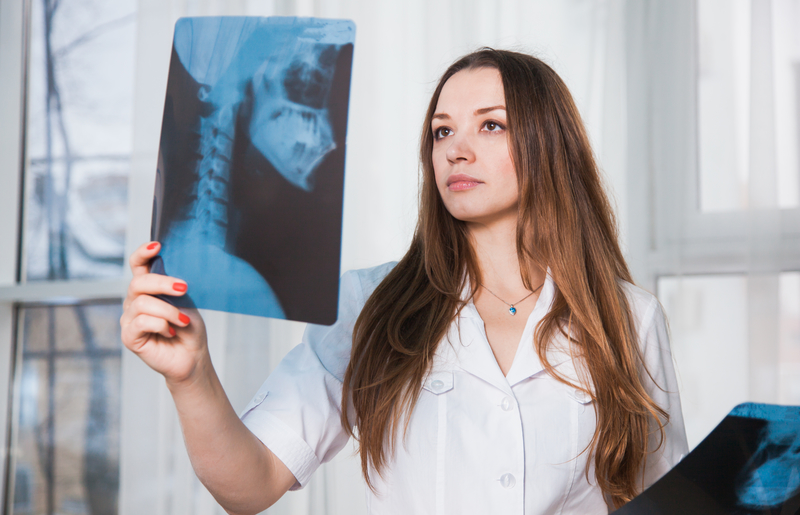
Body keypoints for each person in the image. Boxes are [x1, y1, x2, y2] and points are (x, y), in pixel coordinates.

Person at [120, 48, 688, 514]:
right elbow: (250, 483)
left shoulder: (628, 317)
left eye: (491, 125)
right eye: (442, 132)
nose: (456, 151)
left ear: (549, 144)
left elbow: (665, 503)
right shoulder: (369, 306)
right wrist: (190, 377)